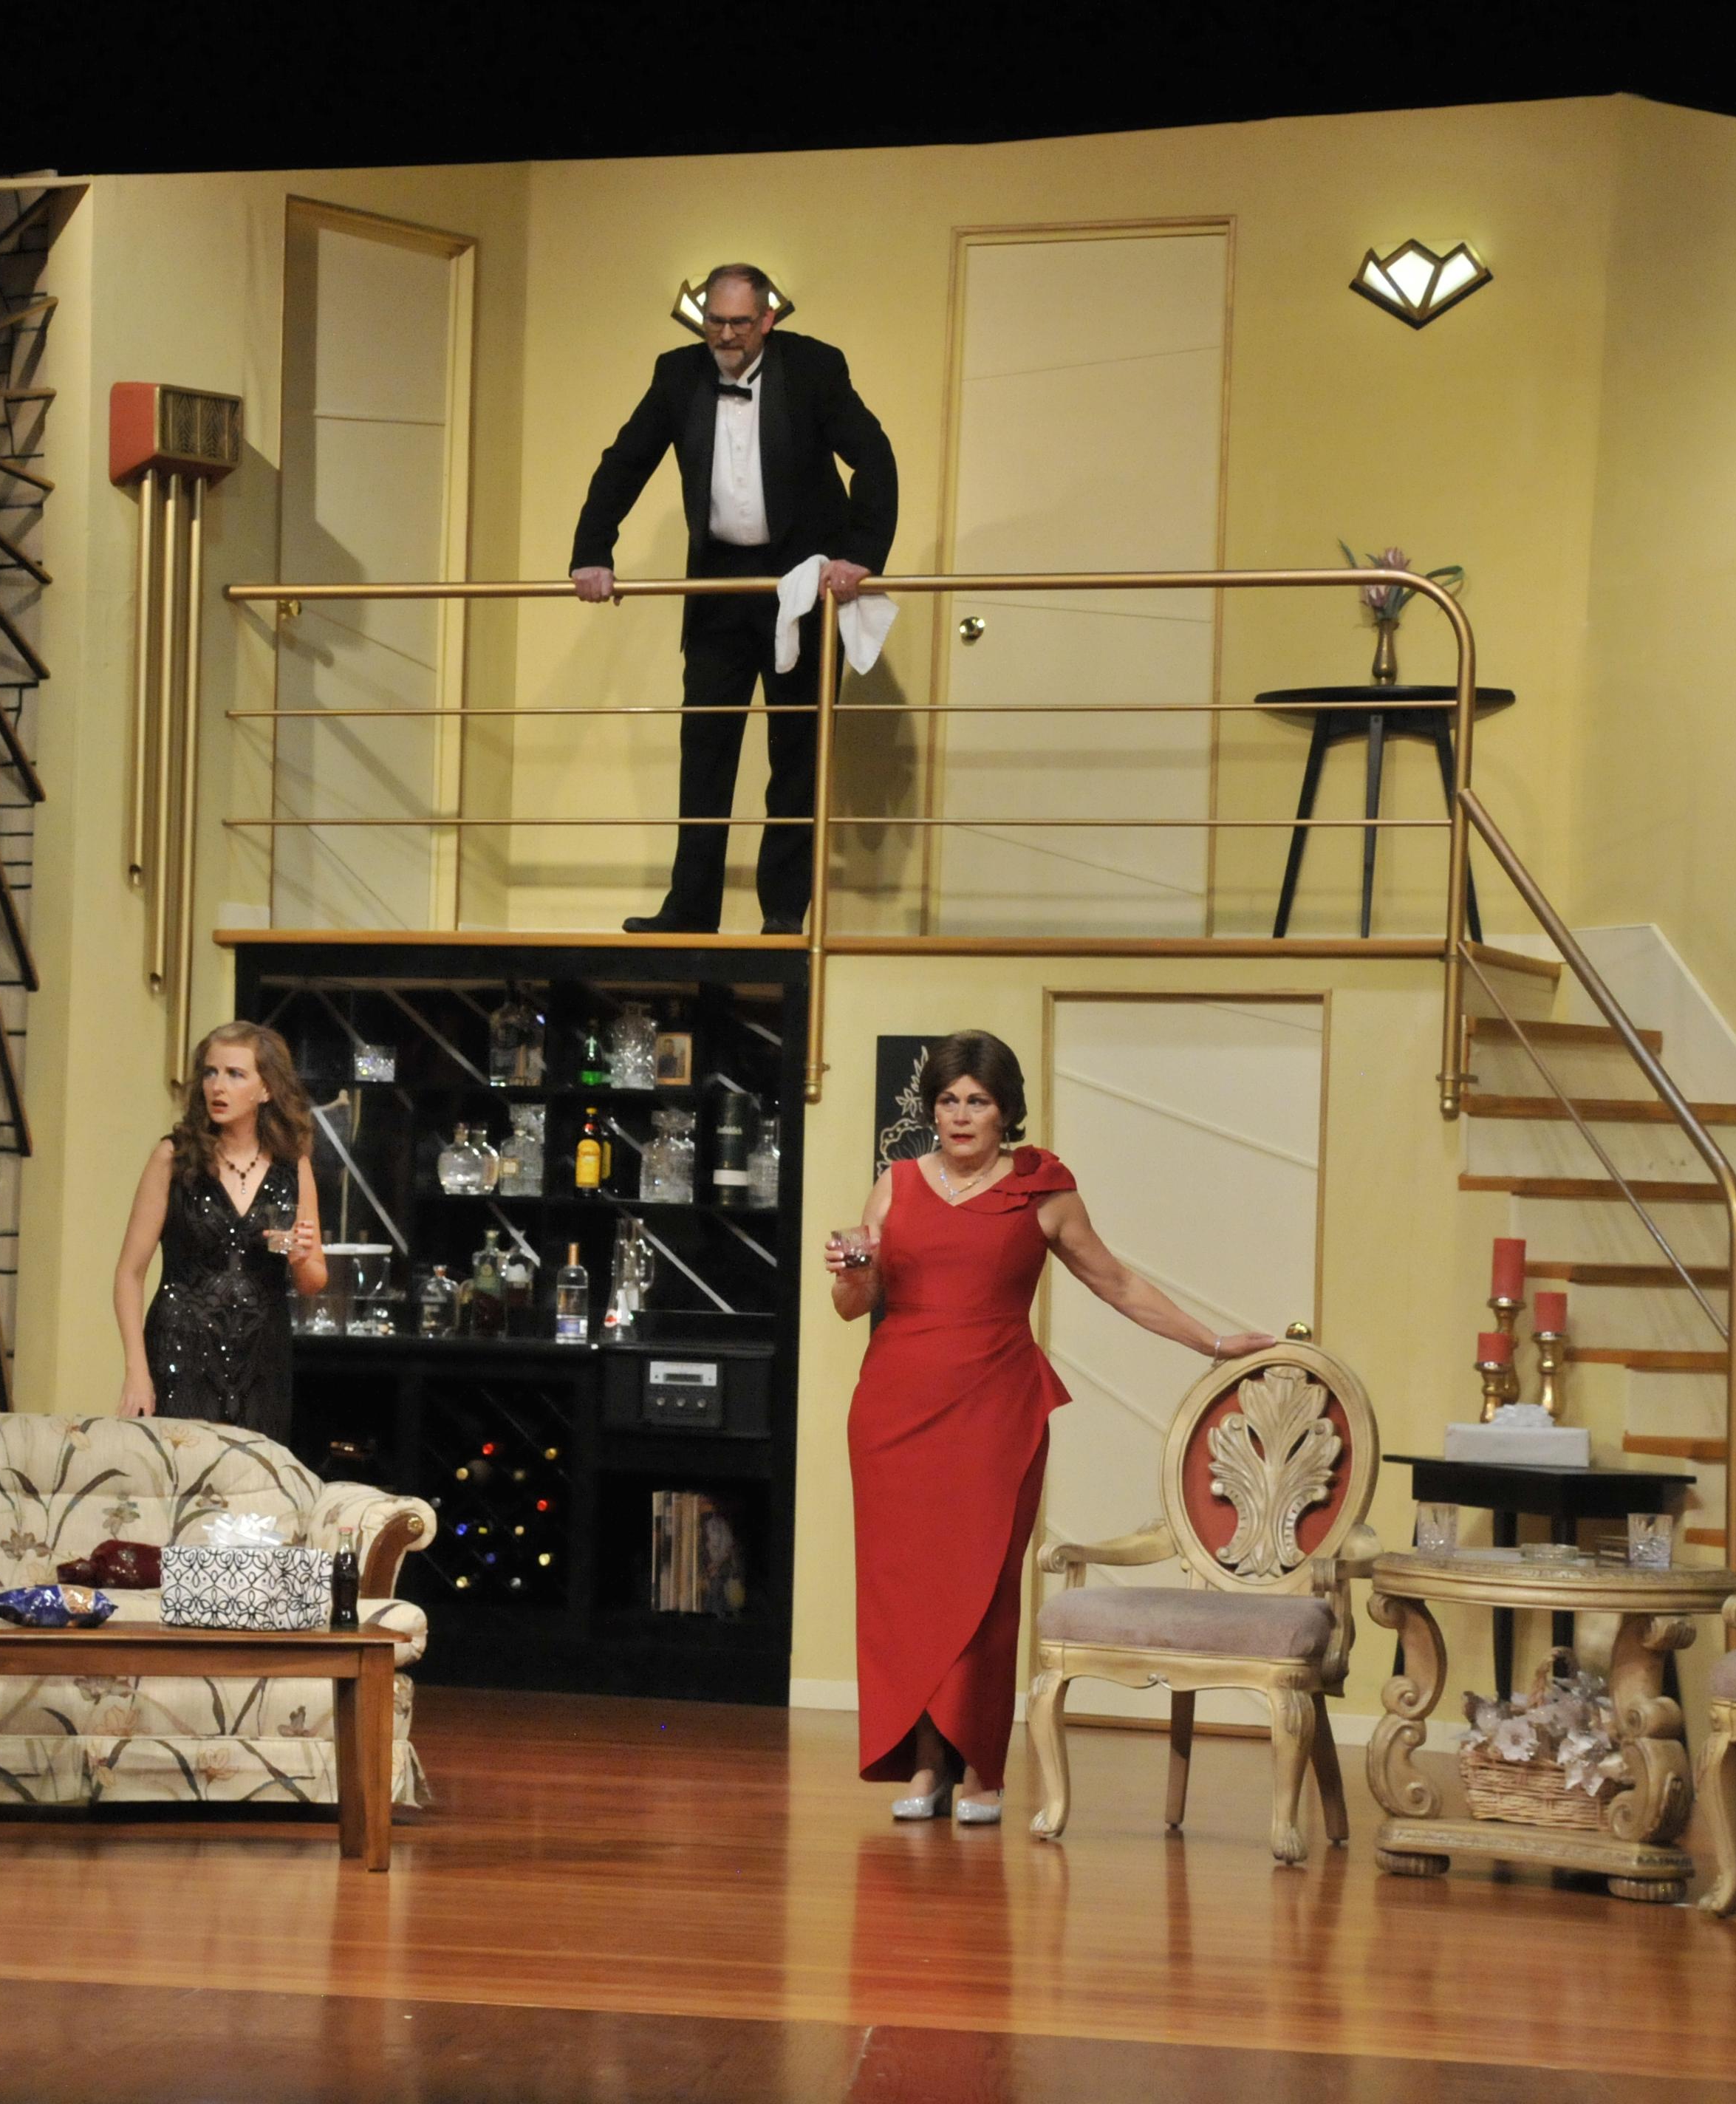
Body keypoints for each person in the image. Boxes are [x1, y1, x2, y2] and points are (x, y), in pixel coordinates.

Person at [824, 1030, 1274, 1825]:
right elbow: (853, 1305)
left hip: (994, 1412)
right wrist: (855, 1269)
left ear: (1006, 1111)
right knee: (906, 1596)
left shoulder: (1043, 1190)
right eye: (948, 1100)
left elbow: (1116, 1283)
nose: (961, 1116)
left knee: (983, 1590)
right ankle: (926, 1765)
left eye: (978, 1101)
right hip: (894, 1415)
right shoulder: (894, 1185)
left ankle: (981, 1770)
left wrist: (1210, 1341)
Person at [570, 262, 899, 935]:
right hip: (719, 587)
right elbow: (624, 463)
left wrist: (861, 554)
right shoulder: (676, 374)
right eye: (715, 322)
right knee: (705, 749)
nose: (725, 335)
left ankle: (783, 912)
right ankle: (690, 909)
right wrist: (592, 552)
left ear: (767, 320)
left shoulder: (814, 368)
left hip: (799, 586)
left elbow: (874, 456)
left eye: (740, 323)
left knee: (797, 754)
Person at [112, 1023, 330, 1438]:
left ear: (266, 1089)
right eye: (211, 1073)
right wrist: (136, 1371)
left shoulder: (292, 1166)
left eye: (235, 1074)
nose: (218, 1086)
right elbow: (129, 1273)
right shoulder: (173, 1158)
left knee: (255, 1476)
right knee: (180, 1472)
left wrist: (301, 1258)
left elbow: (313, 1280)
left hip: (262, 1359)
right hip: (179, 1351)